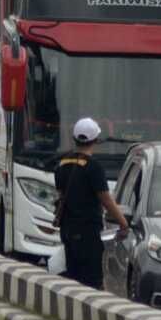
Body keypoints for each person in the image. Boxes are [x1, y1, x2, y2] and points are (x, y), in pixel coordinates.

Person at [53, 118, 129, 289]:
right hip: (88, 233)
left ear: (74, 139)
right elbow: (107, 201)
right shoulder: (94, 168)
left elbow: (61, 194)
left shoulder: (61, 164)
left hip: (67, 231)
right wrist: (124, 223)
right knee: (92, 280)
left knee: (73, 276)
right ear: (95, 140)